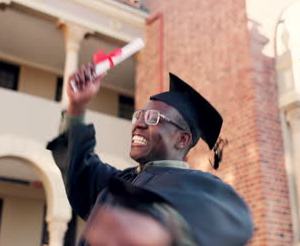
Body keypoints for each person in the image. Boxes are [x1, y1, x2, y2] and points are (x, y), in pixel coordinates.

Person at [47, 63, 254, 246]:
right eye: (140, 115)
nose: (139, 123)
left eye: (153, 118)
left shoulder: (200, 186)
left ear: (182, 139)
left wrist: (165, 227)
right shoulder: (117, 183)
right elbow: (78, 164)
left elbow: (234, 219)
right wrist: (77, 105)